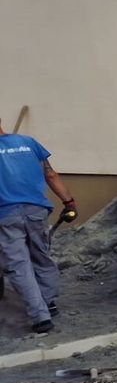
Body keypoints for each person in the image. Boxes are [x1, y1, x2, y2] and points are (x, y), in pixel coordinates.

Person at [0, 115, 76, 334]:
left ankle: (40, 316)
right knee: (41, 255)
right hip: (36, 210)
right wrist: (68, 201)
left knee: (18, 263)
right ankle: (48, 302)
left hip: (6, 214)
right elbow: (50, 174)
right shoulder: (28, 142)